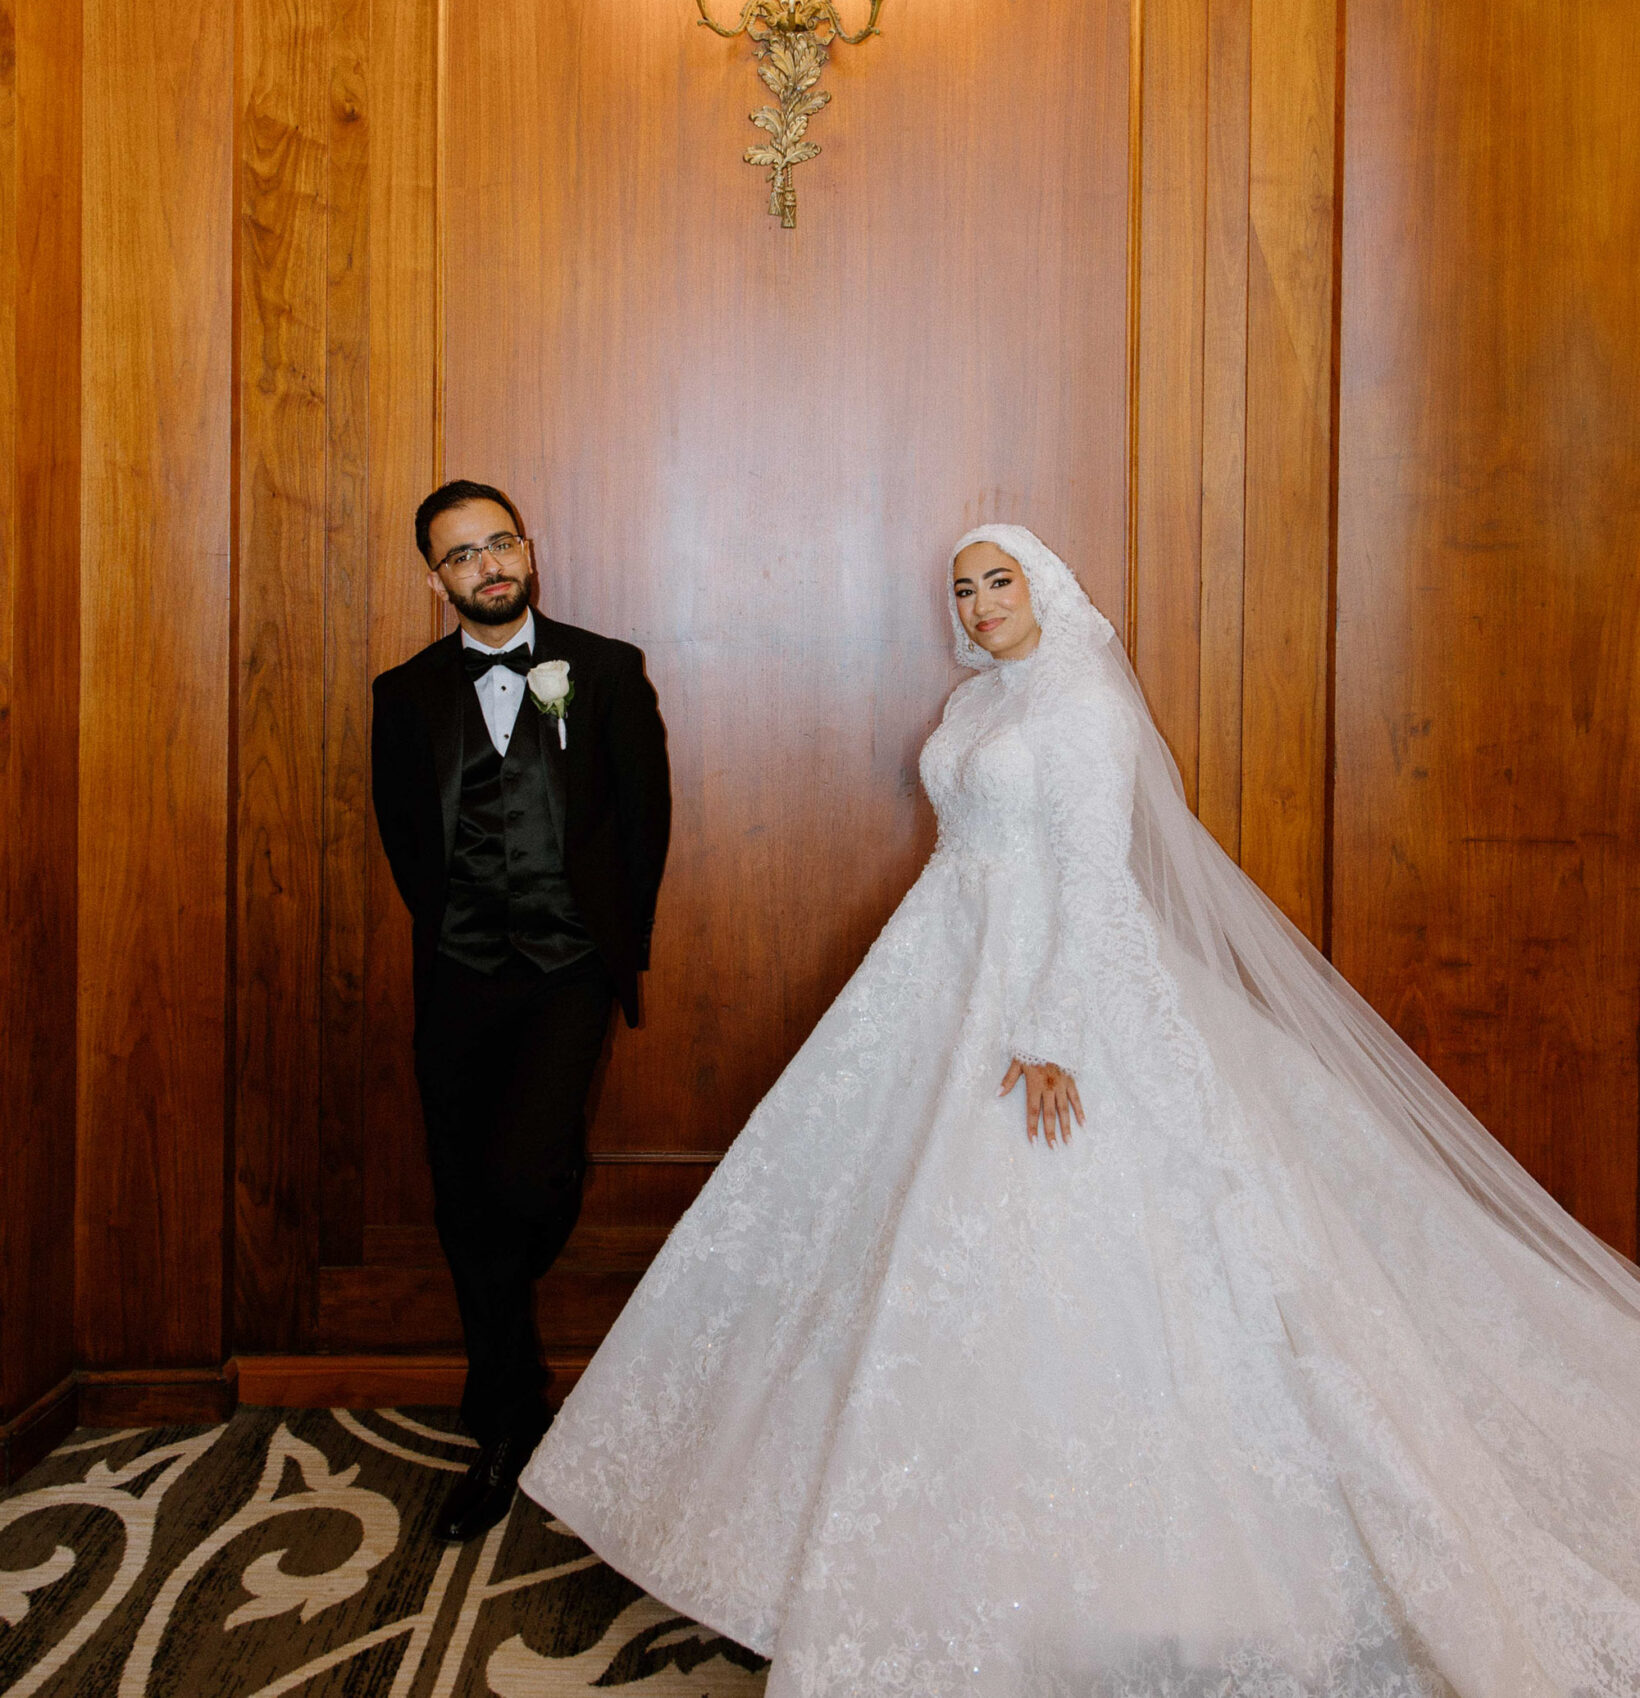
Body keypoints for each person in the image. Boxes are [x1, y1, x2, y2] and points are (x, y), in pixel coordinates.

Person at [521, 524, 1640, 1695]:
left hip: (1049, 986)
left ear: (1044, 585)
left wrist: (1049, 1030)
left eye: (999, 578)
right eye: (963, 587)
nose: (980, 600)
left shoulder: (1084, 706)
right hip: (937, 971)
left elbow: (1097, 877)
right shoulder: (976, 706)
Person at [371, 480, 670, 1543]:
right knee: (463, 1202)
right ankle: (503, 1416)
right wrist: (462, 929)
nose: (489, 564)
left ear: (527, 547)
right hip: (456, 975)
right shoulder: (402, 696)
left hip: (566, 973)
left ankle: (507, 1374)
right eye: (463, 554)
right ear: (436, 578)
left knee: (521, 1180)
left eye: (500, 542)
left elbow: (642, 824)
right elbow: (407, 841)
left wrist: (605, 951)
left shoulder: (603, 669)